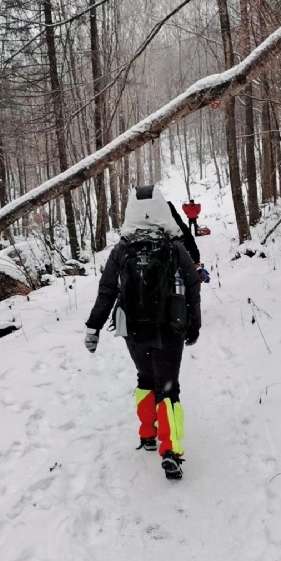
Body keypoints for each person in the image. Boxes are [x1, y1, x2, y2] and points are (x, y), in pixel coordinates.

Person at [84, 185, 201, 480]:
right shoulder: (174, 246)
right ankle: (171, 450)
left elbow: (107, 289)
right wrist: (194, 324)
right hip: (170, 328)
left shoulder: (122, 248)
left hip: (132, 329)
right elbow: (193, 286)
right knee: (168, 386)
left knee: (145, 378)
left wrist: (93, 326)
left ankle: (148, 434)